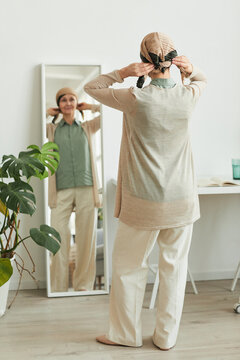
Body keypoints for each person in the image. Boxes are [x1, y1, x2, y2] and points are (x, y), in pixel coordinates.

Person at [84, 32, 207, 350]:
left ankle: (124, 334)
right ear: (173, 61)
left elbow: (92, 87)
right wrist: (189, 70)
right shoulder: (188, 94)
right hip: (181, 202)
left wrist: (124, 72)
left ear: (144, 60)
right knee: (174, 269)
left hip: (143, 202)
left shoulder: (134, 98)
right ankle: (166, 338)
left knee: (128, 267)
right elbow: (201, 79)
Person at [46, 87, 101, 292]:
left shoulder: (87, 127)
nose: (68, 103)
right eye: (63, 100)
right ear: (58, 106)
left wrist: (92, 106)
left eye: (72, 99)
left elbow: (109, 114)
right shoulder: (51, 130)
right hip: (61, 189)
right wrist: (47, 112)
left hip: (87, 188)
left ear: (77, 103)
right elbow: (33, 121)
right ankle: (58, 288)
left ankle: (83, 286)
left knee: (87, 238)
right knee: (57, 236)